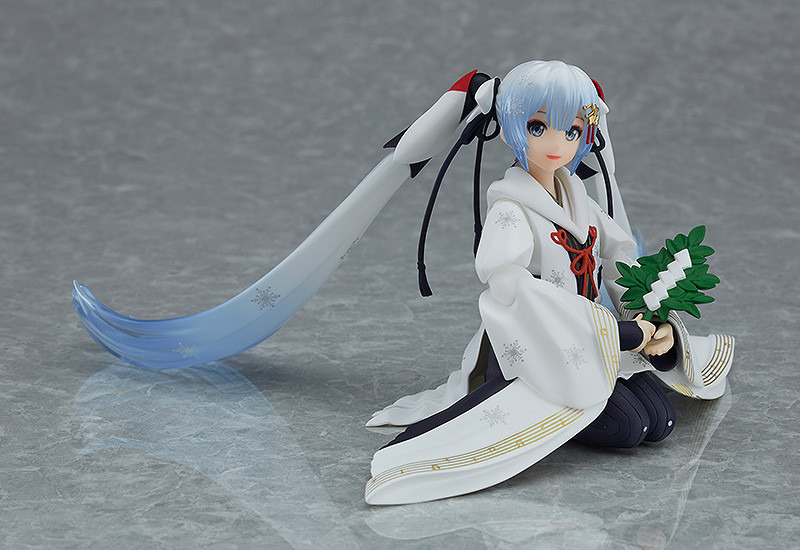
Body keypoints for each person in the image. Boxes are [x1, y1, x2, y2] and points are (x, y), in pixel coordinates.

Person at [365, 60, 734, 505]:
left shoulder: (581, 201)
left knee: (659, 421)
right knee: (632, 426)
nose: (558, 144)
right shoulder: (510, 210)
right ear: (510, 131)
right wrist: (617, 333)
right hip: (540, 345)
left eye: (572, 130)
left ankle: (606, 377)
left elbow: (619, 261)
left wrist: (651, 322)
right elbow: (510, 288)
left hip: (595, 341)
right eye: (538, 127)